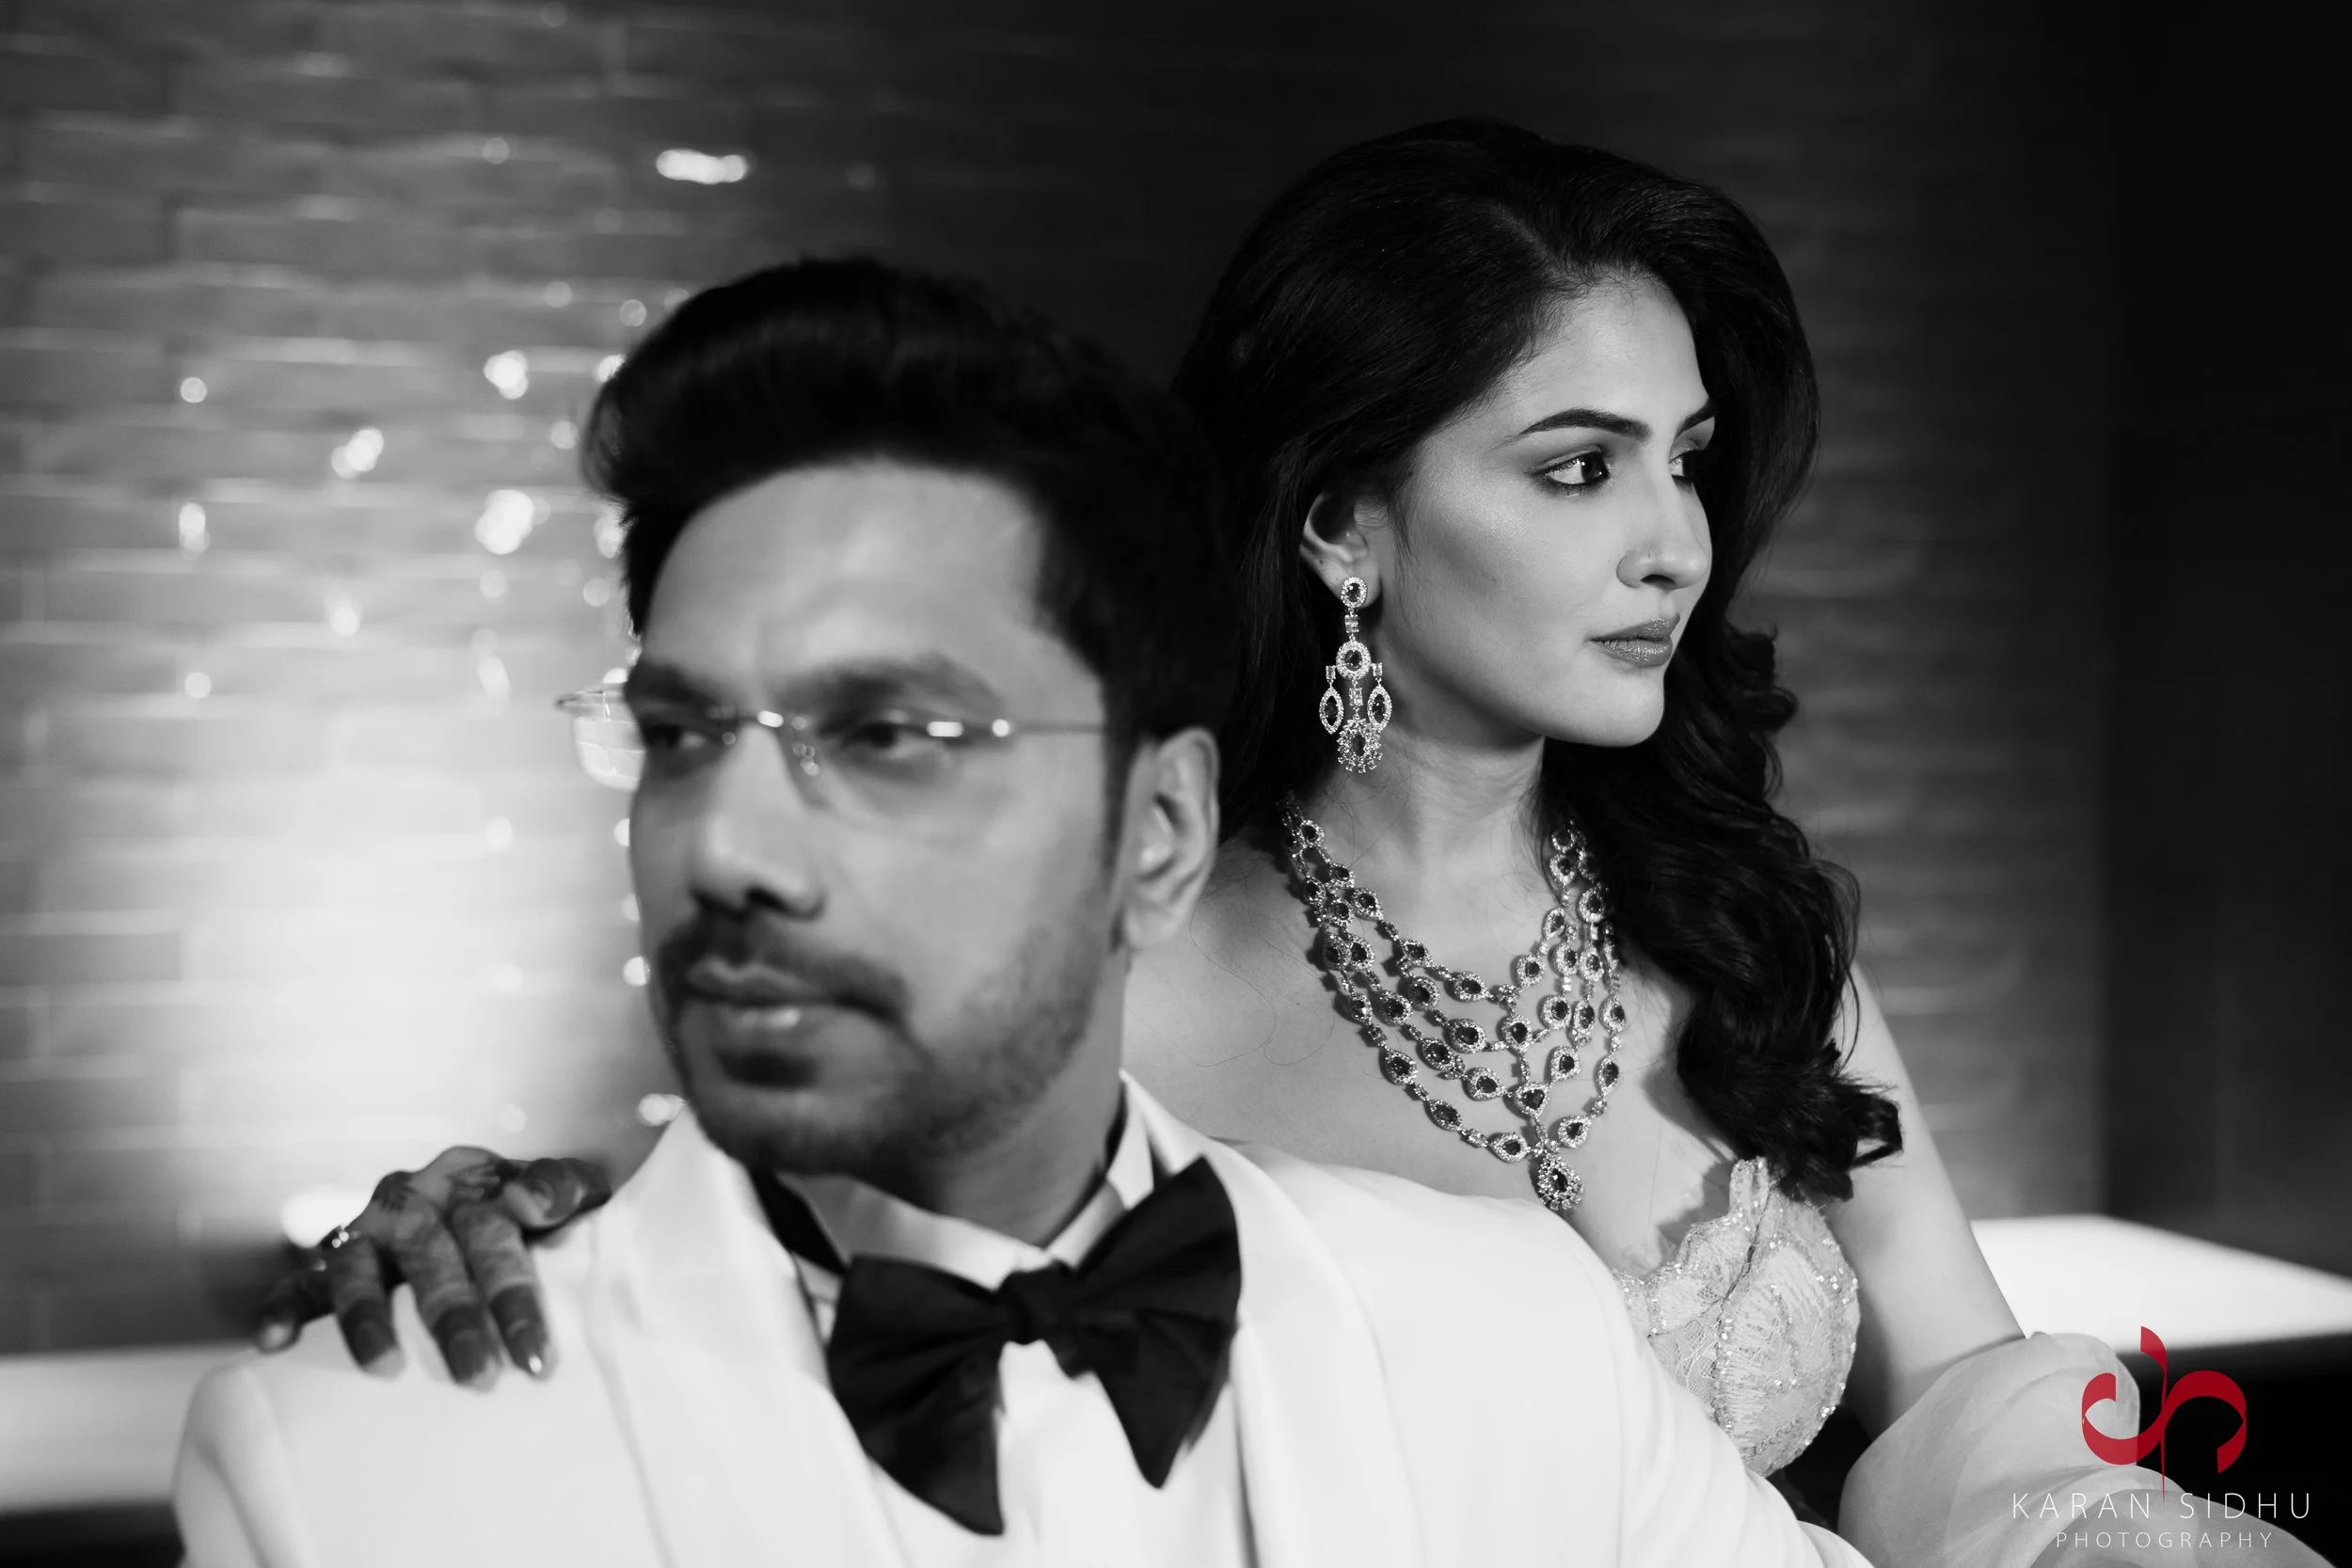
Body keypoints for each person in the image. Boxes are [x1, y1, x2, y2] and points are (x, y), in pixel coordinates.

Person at [243, 125, 2318, 1567]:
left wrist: (2107, 1526)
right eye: (1575, 466)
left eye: (1682, 464)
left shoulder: (1745, 925)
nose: (1668, 541)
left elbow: (1961, 1411)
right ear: (1339, 517)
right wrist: (509, 1214)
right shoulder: (1112, 940)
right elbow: (813, 1294)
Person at [176, 256, 1869, 1568]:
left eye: (888, 736)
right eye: (685, 734)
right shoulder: (346, 1475)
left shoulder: (1510, 1336)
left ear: (1157, 828)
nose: (730, 848)